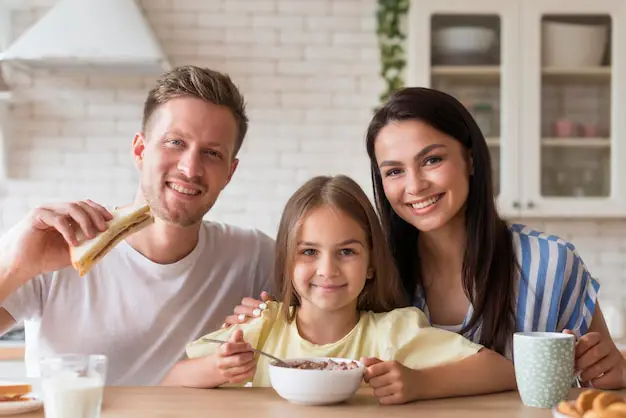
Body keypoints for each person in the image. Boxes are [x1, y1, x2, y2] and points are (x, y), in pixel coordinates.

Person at [226, 87, 626, 390]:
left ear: (470, 159)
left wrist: (612, 369)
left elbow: (604, 376)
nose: (415, 185)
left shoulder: (550, 263)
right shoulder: (370, 267)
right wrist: (261, 318)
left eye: (432, 160)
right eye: (394, 171)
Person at [0, 65, 274, 385]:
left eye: (212, 153)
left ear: (229, 172)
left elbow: (327, 348)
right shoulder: (56, 243)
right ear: (140, 150)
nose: (190, 168)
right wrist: (15, 268)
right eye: (175, 142)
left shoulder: (254, 256)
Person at [173, 175, 516, 405]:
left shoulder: (395, 332)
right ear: (287, 261)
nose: (327, 270)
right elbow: (169, 383)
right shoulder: (262, 327)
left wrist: (418, 383)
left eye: (347, 252)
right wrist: (217, 368)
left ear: (370, 263)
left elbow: (503, 370)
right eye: (308, 252)